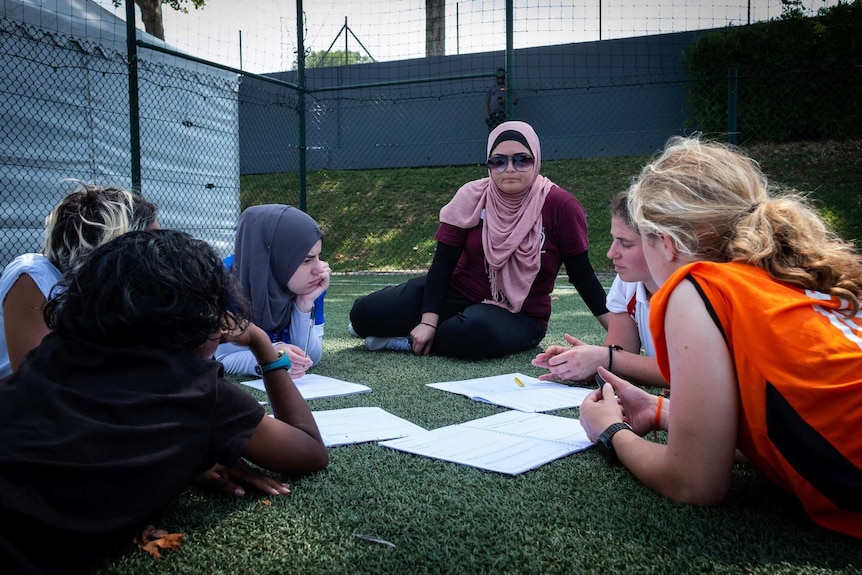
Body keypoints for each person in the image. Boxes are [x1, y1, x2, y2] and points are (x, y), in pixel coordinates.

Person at [578, 135, 862, 539]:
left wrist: (611, 432)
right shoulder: (798, 276)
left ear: (667, 243)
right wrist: (660, 412)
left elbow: (694, 483)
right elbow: (789, 431)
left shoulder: (695, 288)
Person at [0, 229, 329, 573]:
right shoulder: (196, 390)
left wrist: (186, 457)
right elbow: (310, 451)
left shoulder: (51, 353)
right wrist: (262, 344)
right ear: (203, 320)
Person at [348, 121, 609, 360]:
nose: (509, 169)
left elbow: (582, 274)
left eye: (522, 160)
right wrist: (428, 320)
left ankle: (403, 341)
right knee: (364, 313)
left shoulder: (559, 205)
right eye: (498, 161)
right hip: (457, 294)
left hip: (518, 313)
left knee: (473, 332)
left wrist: (619, 335)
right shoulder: (472, 196)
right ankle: (430, 329)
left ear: (536, 160)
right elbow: (442, 264)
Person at [0, 183, 158, 381]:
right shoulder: (33, 275)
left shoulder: (113, 285)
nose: (158, 252)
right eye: (150, 243)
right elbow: (37, 381)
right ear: (113, 243)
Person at [532, 192, 666, 387]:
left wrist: (606, 359)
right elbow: (623, 355)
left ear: (667, 244)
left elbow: (689, 376)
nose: (611, 253)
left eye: (626, 244)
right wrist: (586, 361)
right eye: (614, 240)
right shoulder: (628, 282)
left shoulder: (694, 291)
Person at [215, 204, 330, 378]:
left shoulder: (312, 283)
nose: (319, 269)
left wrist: (303, 306)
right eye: (307, 260)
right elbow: (222, 357)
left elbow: (310, 357)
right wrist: (271, 355)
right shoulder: (223, 283)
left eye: (318, 256)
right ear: (273, 259)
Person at [485, 67, 517, 132]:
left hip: (503, 115)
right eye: (498, 77)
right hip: (493, 116)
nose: (500, 79)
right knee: (493, 133)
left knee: (504, 133)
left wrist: (505, 100)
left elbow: (515, 101)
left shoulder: (508, 88)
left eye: (501, 77)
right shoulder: (492, 89)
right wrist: (488, 116)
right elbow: (487, 103)